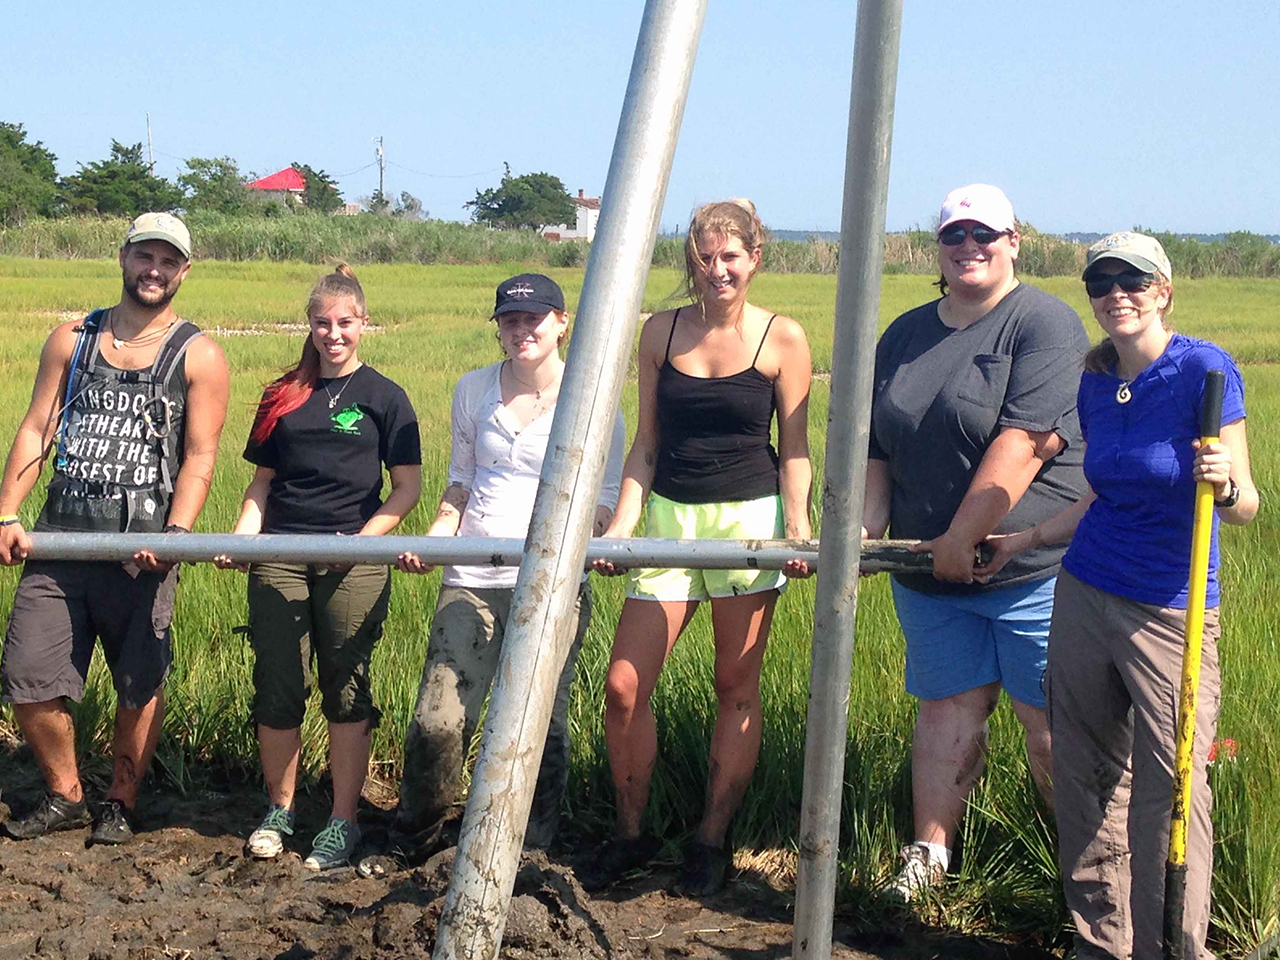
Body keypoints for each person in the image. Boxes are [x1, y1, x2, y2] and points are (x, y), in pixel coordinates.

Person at [976, 232, 1257, 959]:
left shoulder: (1204, 371)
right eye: (1102, 283)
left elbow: (1245, 504)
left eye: (1133, 280)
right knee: (1087, 776)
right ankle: (1102, 943)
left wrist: (1225, 480)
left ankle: (1173, 947)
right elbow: (1100, 493)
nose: (1116, 294)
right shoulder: (1096, 381)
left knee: (1173, 787)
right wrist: (1026, 540)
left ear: (1163, 290)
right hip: (1087, 591)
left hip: (1171, 608)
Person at [861, 184, 1089, 899]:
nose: (969, 248)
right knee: (946, 708)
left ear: (1014, 241)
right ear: (938, 247)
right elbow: (876, 449)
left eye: (984, 235)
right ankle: (928, 857)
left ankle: (1085, 875)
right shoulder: (903, 334)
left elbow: (1022, 444)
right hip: (928, 572)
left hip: (1031, 566)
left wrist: (963, 538)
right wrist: (866, 537)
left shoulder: (1044, 325)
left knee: (1049, 721)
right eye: (955, 235)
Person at [581, 199, 813, 897]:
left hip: (748, 521)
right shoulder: (660, 332)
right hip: (668, 520)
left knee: (734, 684)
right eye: (706, 258)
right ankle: (631, 832)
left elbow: (794, 450)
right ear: (692, 260)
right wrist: (622, 527)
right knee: (623, 686)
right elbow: (646, 444)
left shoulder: (784, 339)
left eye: (731, 257)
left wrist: (796, 528)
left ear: (754, 259)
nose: (718, 270)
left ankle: (712, 839)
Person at [367, 273, 625, 868]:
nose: (522, 330)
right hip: (471, 576)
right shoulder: (473, 390)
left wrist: (579, 546)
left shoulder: (594, 401)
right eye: (510, 320)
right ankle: (414, 839)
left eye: (534, 319)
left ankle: (527, 852)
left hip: (553, 586)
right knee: (439, 719)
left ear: (562, 323)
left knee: (541, 724)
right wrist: (438, 538)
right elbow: (460, 481)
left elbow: (605, 500)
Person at [1, 213, 230, 844]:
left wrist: (177, 534)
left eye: (167, 261)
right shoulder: (72, 339)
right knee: (27, 674)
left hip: (143, 550)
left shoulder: (199, 354)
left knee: (139, 681)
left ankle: (121, 801)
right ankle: (67, 793)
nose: (153, 270)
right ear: (123, 258)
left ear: (184, 271)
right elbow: (36, 428)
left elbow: (201, 455)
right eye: (144, 256)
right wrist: (7, 512)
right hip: (61, 540)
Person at [213, 264, 421, 871]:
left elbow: (405, 489)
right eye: (323, 323)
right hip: (279, 554)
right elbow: (261, 483)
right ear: (310, 324)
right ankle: (279, 811)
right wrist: (243, 538)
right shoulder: (284, 395)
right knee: (278, 682)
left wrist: (361, 542)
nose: (334, 334)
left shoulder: (387, 398)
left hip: (353, 559)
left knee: (346, 684)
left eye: (345, 323)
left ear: (364, 324)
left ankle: (341, 819)